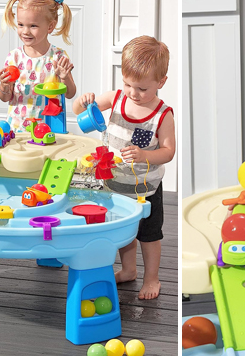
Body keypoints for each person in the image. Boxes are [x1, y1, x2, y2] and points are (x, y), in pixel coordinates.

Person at [72, 36, 175, 300]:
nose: (133, 93)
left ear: (161, 82)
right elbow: (77, 110)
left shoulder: (162, 115)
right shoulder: (116, 99)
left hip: (145, 189)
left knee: (149, 234)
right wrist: (83, 102)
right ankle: (128, 270)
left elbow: (168, 151)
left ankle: (152, 278)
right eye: (128, 84)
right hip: (114, 183)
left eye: (142, 88)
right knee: (123, 229)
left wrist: (144, 155)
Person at [0, 0, 77, 133]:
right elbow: (5, 98)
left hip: (49, 129)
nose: (25, 31)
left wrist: (65, 77)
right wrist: (4, 86)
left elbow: (70, 94)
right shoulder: (14, 57)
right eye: (21, 24)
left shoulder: (58, 57)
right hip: (17, 129)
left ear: (50, 26)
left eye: (33, 26)